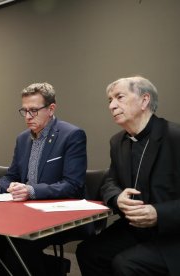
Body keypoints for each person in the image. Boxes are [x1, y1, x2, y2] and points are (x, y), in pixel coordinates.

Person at [0, 82, 87, 275]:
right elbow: (12, 176)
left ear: (51, 109)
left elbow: (73, 185)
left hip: (57, 212)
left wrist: (32, 190)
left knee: (18, 246)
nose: (27, 117)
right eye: (24, 111)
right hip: (24, 212)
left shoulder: (72, 135)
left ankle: (47, 268)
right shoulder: (22, 138)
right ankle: (52, 267)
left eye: (33, 111)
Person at [76, 76, 180, 276]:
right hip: (134, 228)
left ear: (144, 100)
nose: (112, 106)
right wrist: (117, 197)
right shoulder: (118, 142)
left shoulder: (175, 137)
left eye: (119, 97)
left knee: (127, 264)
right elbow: (110, 181)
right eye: (109, 100)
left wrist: (159, 213)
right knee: (88, 252)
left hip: (172, 233)